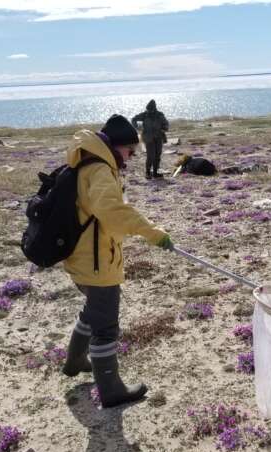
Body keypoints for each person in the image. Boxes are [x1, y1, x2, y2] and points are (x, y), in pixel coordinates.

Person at [59, 114, 174, 408]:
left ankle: (74, 360)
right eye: (130, 151)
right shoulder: (99, 169)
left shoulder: (87, 160)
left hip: (83, 257)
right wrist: (153, 233)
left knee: (93, 309)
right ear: (117, 145)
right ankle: (110, 389)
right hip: (95, 260)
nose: (132, 156)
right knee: (106, 325)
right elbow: (112, 211)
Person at [131, 100, 170, 179]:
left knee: (157, 155)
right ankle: (148, 172)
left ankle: (155, 172)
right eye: (149, 109)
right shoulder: (144, 115)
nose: (150, 111)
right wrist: (138, 127)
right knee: (150, 156)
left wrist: (164, 129)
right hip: (148, 138)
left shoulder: (160, 115)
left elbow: (166, 124)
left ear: (155, 108)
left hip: (158, 137)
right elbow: (133, 119)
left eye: (151, 109)